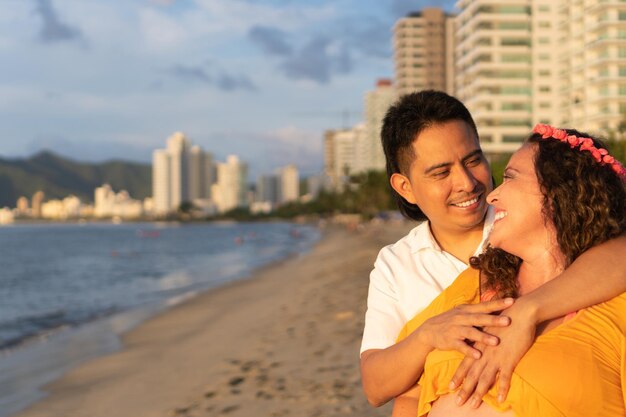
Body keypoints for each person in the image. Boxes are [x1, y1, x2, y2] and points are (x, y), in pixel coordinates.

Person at [360, 90, 626, 407]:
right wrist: (429, 335)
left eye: (473, 160)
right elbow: (379, 387)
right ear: (406, 188)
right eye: (441, 172)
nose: (468, 184)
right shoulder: (397, 264)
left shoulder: (517, 227)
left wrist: (529, 310)